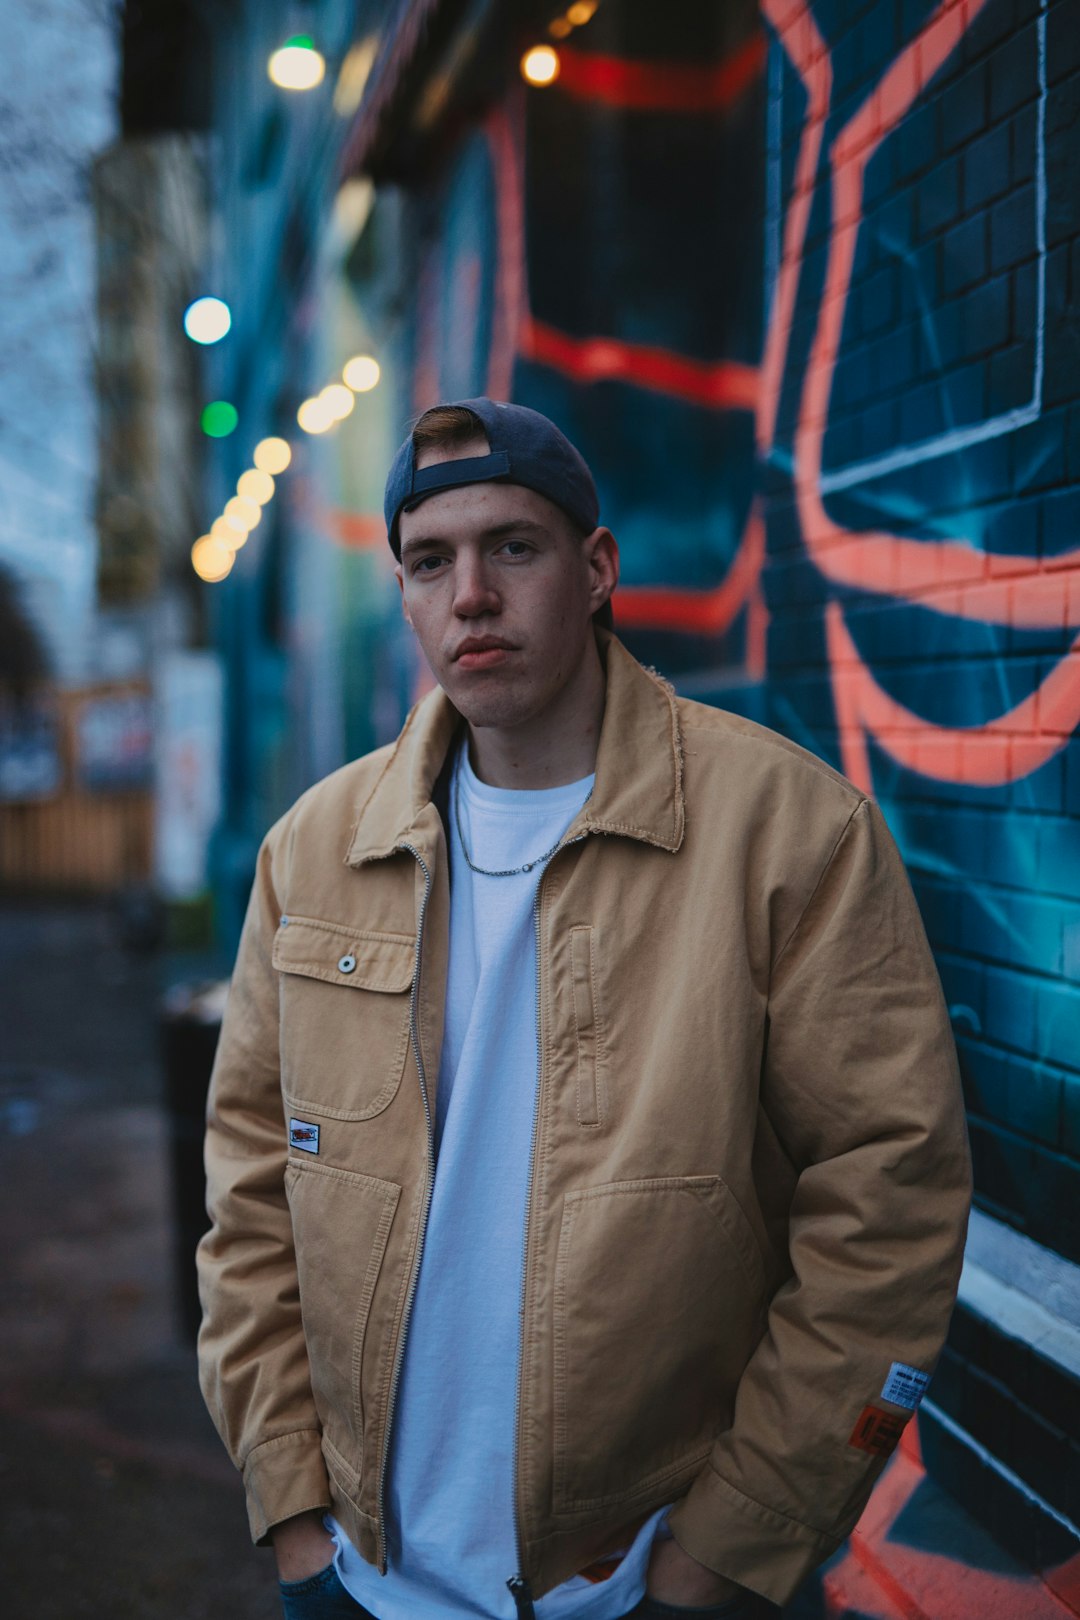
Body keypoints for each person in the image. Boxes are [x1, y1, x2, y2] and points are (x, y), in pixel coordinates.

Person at [196, 398, 972, 1620]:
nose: (471, 596)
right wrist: (294, 1513)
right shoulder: (315, 852)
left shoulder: (788, 833)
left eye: (514, 546)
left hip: (649, 1580)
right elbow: (250, 1197)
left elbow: (891, 1201)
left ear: (596, 569)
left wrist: (721, 1553)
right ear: (401, 592)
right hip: (361, 1579)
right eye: (430, 561)